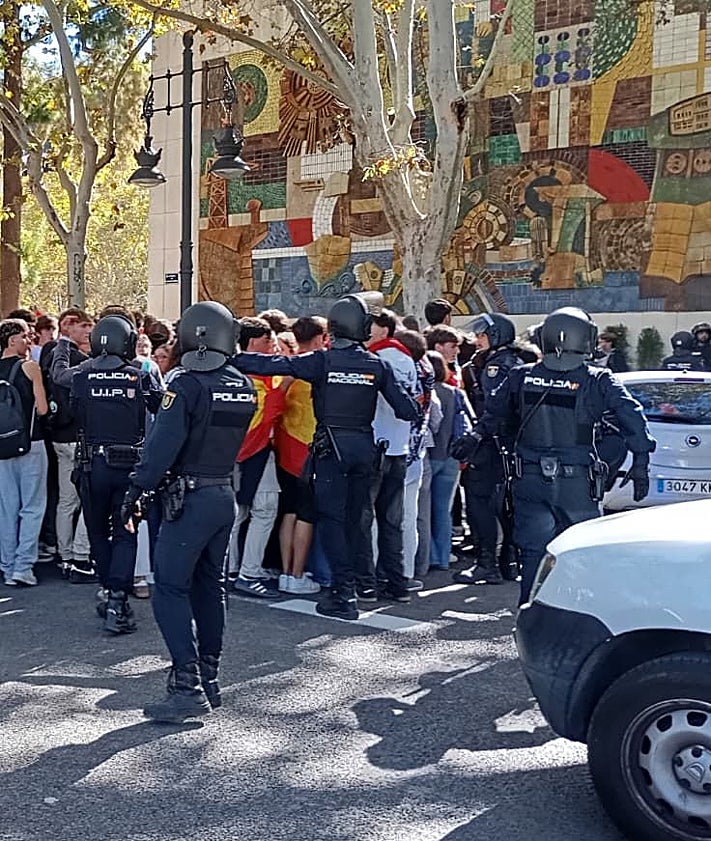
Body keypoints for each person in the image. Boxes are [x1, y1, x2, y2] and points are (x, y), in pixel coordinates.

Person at [231, 293, 420, 620]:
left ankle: (343, 593)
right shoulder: (377, 365)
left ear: (333, 328)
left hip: (331, 448)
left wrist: (225, 356)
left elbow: (271, 364)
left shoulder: (322, 360)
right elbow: (408, 410)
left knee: (332, 520)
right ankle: (364, 583)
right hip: (365, 447)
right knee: (358, 520)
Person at [121, 301, 256, 723]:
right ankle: (209, 674)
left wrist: (137, 487)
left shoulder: (186, 383)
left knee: (170, 588)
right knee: (211, 586)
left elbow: (164, 444)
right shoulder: (242, 384)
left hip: (189, 497)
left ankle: (186, 683)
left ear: (195, 336)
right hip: (221, 493)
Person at [488, 307, 655, 604]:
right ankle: (578, 614)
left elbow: (494, 417)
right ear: (586, 339)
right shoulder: (598, 379)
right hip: (575, 484)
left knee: (534, 554)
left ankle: (530, 612)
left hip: (529, 479)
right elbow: (633, 419)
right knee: (582, 552)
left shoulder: (520, 376)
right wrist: (640, 464)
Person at [51, 315, 163, 632]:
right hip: (129, 469)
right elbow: (164, 409)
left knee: (98, 532)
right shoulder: (138, 376)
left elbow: (63, 384)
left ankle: (108, 591)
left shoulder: (83, 376)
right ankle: (118, 598)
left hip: (92, 467)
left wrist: (62, 345)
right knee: (126, 534)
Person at [456, 313, 524, 586]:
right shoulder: (515, 362)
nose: (476, 340)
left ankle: (487, 565)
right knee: (505, 506)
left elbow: (494, 410)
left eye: (482, 335)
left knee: (480, 502)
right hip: (508, 445)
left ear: (496, 336)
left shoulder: (497, 367)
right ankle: (508, 562)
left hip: (492, 445)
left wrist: (475, 436)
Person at [357, 309, 419, 604]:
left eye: (369, 326)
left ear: (382, 329)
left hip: (376, 444)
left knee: (364, 519)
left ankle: (367, 583)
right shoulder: (407, 358)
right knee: (392, 522)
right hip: (400, 447)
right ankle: (397, 583)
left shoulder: (377, 359)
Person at [0, 319, 49, 587]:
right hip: (31, 442)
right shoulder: (30, 368)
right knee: (32, 507)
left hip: (1, 447)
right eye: (25, 336)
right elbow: (41, 409)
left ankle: (7, 566)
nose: (29, 341)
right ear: (12, 341)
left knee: (6, 508)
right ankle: (23, 566)